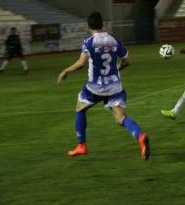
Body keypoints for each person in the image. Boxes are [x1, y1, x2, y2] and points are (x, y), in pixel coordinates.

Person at [57, 11, 150, 160]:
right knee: (121, 118)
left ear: (88, 27)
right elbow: (127, 61)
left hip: (95, 87)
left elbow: (82, 63)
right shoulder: (114, 40)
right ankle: (140, 136)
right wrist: (116, 70)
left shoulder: (89, 42)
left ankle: (82, 145)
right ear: (103, 24)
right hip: (115, 87)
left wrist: (66, 71)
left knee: (80, 108)